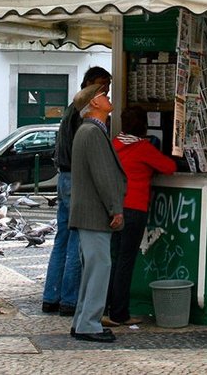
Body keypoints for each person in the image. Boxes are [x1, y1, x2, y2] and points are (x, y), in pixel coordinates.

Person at [42, 66, 112, 317]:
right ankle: (69, 300)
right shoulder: (85, 114)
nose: (107, 91)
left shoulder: (70, 110)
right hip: (76, 178)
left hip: (65, 177)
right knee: (75, 240)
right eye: (103, 86)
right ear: (90, 85)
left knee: (62, 238)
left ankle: (51, 296)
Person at [103, 106, 177, 327]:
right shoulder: (143, 147)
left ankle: (104, 308)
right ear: (143, 126)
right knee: (126, 262)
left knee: (113, 260)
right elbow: (169, 166)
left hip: (113, 207)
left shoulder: (113, 144)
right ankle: (119, 313)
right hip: (134, 209)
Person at [69, 84, 126, 343]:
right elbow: (103, 175)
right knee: (100, 267)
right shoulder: (93, 132)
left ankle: (83, 320)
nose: (108, 98)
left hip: (88, 212)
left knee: (93, 268)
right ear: (93, 103)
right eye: (103, 95)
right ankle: (89, 324)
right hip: (94, 213)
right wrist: (115, 208)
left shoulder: (89, 131)